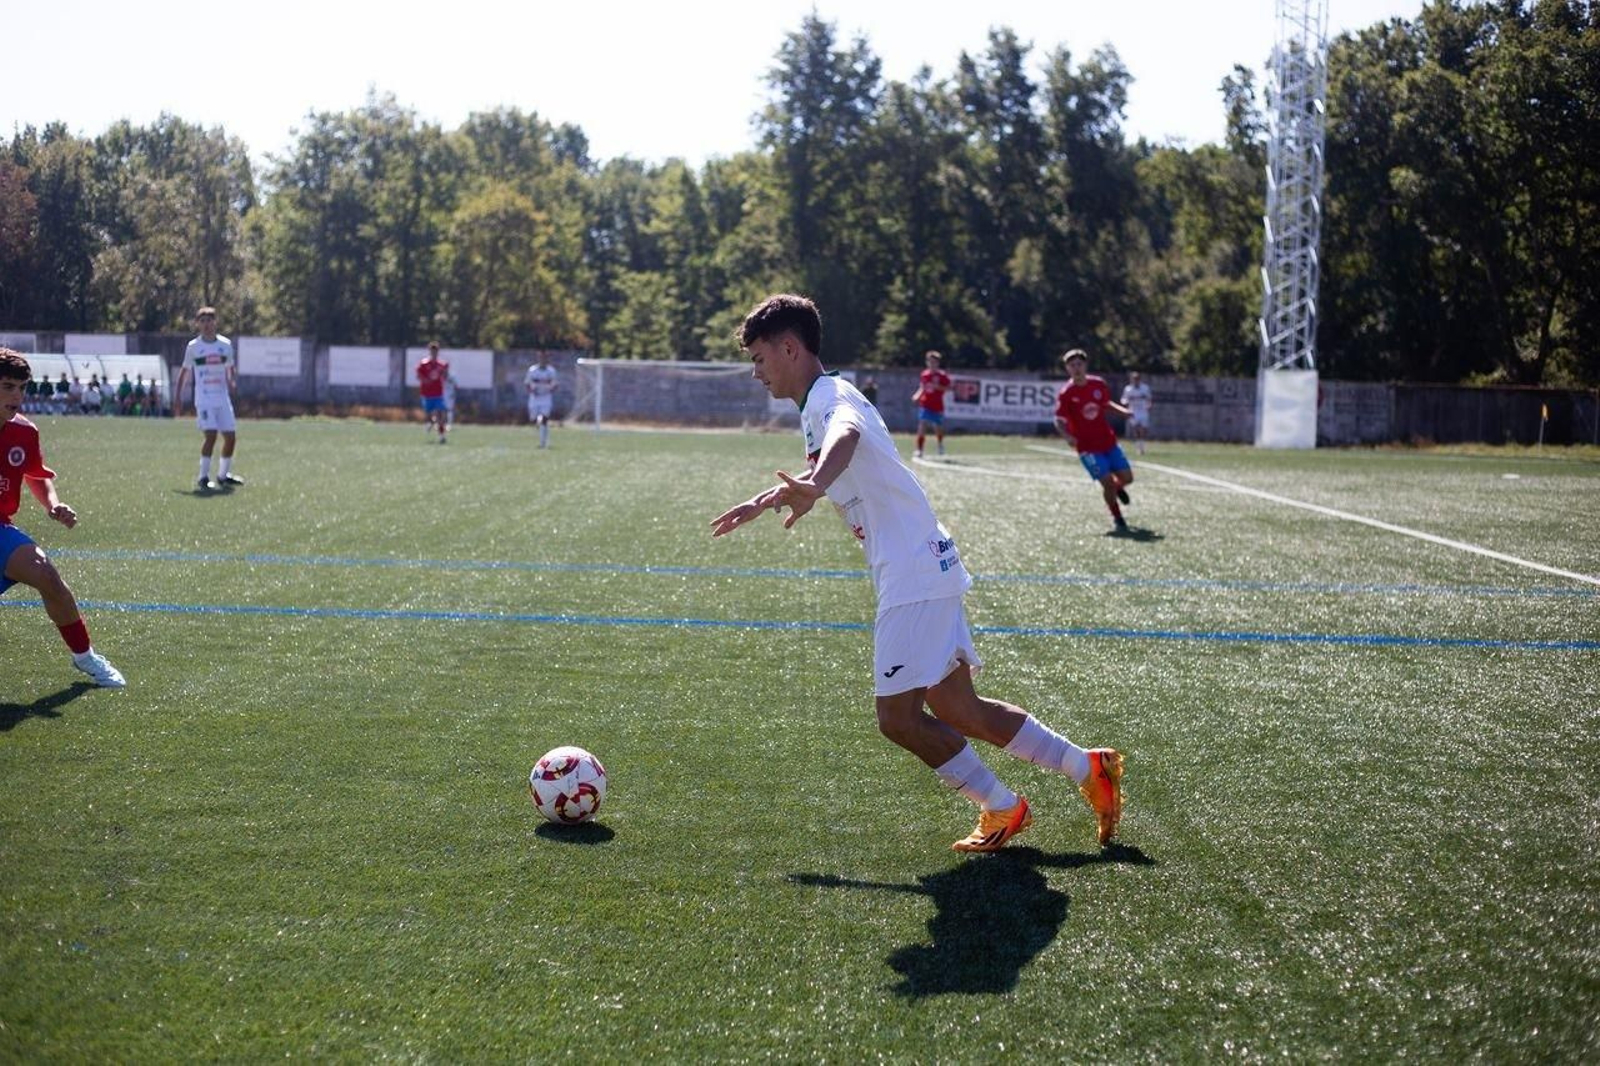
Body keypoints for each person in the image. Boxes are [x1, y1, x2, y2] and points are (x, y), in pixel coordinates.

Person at [711, 295, 1124, 852]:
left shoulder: (832, 399)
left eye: (760, 358)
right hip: (924, 564)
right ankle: (1088, 767)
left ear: (789, 347)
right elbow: (824, 461)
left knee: (898, 719)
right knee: (959, 710)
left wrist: (813, 486)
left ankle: (1002, 807)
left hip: (912, 575)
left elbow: (846, 438)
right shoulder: (820, 400)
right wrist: (767, 500)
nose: (756, 371)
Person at [0, 349, 126, 687]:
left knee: (50, 579)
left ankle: (86, 658)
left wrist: (53, 504)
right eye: (8, 386)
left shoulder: (25, 432)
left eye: (22, 388)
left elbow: (36, 475)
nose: (17, 396)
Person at [1055, 349, 1135, 533]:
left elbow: (1105, 403)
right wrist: (1068, 436)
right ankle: (1117, 517)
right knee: (1106, 482)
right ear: (1067, 368)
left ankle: (1117, 488)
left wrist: (1122, 412)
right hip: (1087, 448)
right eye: (1072, 365)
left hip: (1108, 442)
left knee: (1127, 478)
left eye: (1079, 364)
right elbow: (1058, 420)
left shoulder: (1098, 384)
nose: (1076, 368)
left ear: (1085, 366)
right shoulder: (1066, 393)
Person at [175, 306, 245, 490]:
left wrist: (231, 381)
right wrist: (178, 397)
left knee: (231, 437)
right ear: (198, 324)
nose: (206, 324)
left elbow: (230, 368)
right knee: (211, 435)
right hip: (204, 399)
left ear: (216, 322)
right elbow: (184, 372)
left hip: (222, 398)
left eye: (210, 320)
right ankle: (203, 477)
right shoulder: (193, 347)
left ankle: (223, 475)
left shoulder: (225, 345)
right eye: (203, 321)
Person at [912, 350, 952, 460]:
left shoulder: (942, 375)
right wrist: (917, 396)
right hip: (925, 404)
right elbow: (922, 387)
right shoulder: (924, 374)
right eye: (929, 361)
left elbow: (949, 388)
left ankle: (940, 444)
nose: (931, 364)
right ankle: (919, 450)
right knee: (922, 424)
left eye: (934, 362)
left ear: (938, 363)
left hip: (937, 405)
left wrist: (937, 386)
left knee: (938, 428)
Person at [416, 342, 450, 444]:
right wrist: (426, 380)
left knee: (440, 414)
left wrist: (445, 373)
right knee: (428, 415)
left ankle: (441, 436)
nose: (434, 352)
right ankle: (430, 422)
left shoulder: (442, 364)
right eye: (432, 350)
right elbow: (419, 376)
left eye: (436, 350)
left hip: (438, 393)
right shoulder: (423, 364)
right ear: (429, 351)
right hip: (426, 393)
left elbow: (445, 377)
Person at [524, 354, 558, 449]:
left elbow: (555, 385)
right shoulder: (532, 370)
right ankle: (538, 424)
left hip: (546, 398)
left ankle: (543, 443)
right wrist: (532, 391)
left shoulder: (551, 371)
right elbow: (527, 384)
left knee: (544, 419)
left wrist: (549, 390)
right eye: (541, 359)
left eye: (545, 359)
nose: (543, 360)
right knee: (534, 419)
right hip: (534, 398)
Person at [1121, 371, 1153, 455]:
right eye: (1134, 379)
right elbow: (1123, 400)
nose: (1136, 380)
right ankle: (1138, 447)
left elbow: (1149, 399)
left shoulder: (1145, 388)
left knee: (1143, 430)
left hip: (1143, 411)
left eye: (1137, 379)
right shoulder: (1128, 389)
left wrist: (1149, 405)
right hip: (1133, 411)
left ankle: (1142, 447)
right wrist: (1126, 404)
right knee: (1136, 430)